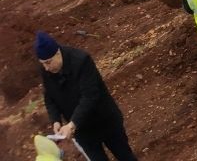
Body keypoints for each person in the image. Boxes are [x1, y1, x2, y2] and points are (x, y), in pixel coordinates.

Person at [35, 32, 138, 161]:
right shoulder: (46, 70)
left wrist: (72, 125)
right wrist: (56, 120)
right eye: (43, 63)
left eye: (48, 62)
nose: (46, 68)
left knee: (125, 156)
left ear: (57, 53)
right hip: (83, 133)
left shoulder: (81, 61)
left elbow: (90, 96)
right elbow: (50, 98)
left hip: (105, 121)